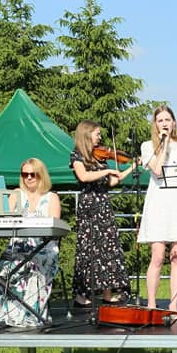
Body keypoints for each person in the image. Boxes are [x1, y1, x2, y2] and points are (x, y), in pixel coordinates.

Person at [70, 120, 134, 307]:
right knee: (88, 249)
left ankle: (108, 293)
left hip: (103, 205)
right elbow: (84, 176)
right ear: (87, 134)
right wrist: (107, 170)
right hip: (89, 206)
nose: (100, 137)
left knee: (108, 249)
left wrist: (133, 167)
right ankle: (81, 294)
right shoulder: (77, 155)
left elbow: (112, 182)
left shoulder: (100, 158)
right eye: (97, 133)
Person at [137, 105, 177, 312]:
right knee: (158, 255)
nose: (164, 123)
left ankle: (174, 305)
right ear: (155, 124)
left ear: (174, 123)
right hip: (158, 203)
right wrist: (164, 144)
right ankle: (152, 304)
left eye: (167, 120)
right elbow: (158, 171)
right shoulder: (147, 146)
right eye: (160, 120)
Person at [0, 158, 62, 327]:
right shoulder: (16, 194)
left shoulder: (51, 197)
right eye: (25, 174)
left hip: (43, 246)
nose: (29, 177)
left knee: (34, 261)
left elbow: (54, 228)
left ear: (41, 175)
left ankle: (32, 314)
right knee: (8, 260)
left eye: (33, 174)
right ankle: (8, 314)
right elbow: (5, 220)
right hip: (19, 246)